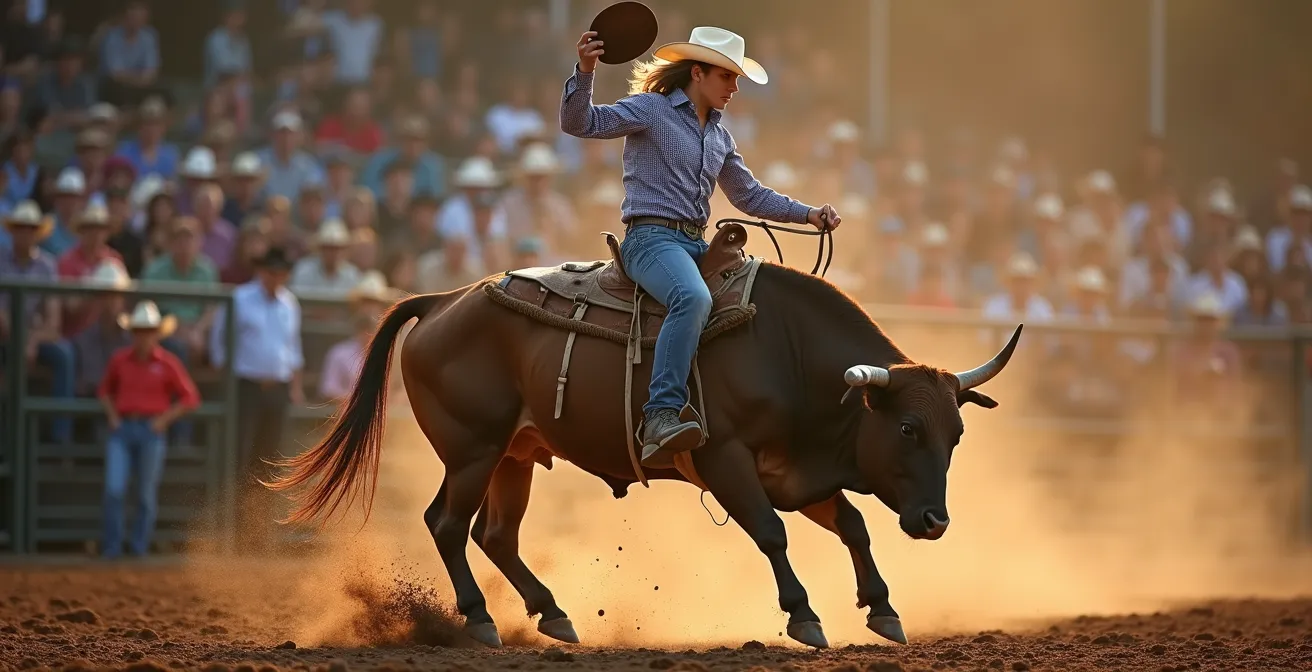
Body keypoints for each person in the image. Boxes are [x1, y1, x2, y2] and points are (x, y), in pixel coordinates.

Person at [562, 26, 840, 464]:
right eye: (726, 77)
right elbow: (581, 122)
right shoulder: (651, 110)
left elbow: (748, 195)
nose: (733, 88)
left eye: (735, 79)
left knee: (756, 303)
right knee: (691, 299)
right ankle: (660, 414)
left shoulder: (720, 136)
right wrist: (586, 70)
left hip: (694, 245)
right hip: (650, 239)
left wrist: (808, 213)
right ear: (697, 73)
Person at [209, 247, 304, 549]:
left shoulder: (290, 303)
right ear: (262, 271)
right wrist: (225, 371)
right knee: (242, 455)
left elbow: (293, 349)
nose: (275, 278)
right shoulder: (240, 299)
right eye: (271, 272)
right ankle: (236, 531)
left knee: (270, 459)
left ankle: (259, 532)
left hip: (277, 387)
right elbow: (219, 341)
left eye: (280, 273)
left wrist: (293, 384)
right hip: (246, 385)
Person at [97, 300, 200, 558]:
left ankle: (136, 548)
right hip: (125, 428)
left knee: (144, 494)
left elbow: (190, 398)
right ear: (133, 333)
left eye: (148, 330)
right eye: (140, 331)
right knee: (115, 489)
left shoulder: (167, 363)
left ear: (156, 333)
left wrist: (163, 420)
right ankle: (114, 548)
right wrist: (112, 416)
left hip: (149, 429)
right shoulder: (120, 360)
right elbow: (104, 392)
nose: (144, 336)